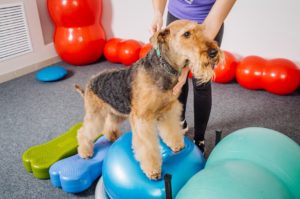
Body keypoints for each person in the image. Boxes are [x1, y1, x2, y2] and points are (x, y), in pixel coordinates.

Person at [151, 0, 236, 153]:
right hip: (176, 18)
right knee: (176, 81)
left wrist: (184, 71)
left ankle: (199, 139)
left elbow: (211, 23)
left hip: (206, 23)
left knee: (201, 82)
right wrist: (158, 12)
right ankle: (180, 122)